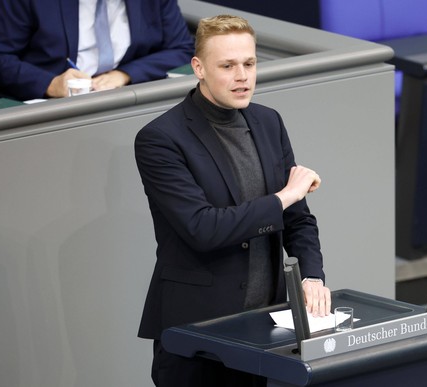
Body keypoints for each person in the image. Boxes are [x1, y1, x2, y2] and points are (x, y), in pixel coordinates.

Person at [134, 14, 332, 387]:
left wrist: (312, 276)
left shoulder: (269, 122)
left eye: (249, 63)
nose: (242, 76)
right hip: (198, 331)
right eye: (227, 66)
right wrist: (285, 196)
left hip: (268, 326)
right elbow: (203, 228)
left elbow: (299, 219)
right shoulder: (160, 139)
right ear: (199, 68)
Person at [0, 0, 194, 101]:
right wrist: (50, 84)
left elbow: (182, 48)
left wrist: (125, 74)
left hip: (123, 98)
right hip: (47, 105)